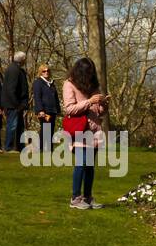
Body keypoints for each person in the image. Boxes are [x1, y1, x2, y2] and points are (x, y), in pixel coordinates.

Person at [61, 56, 108, 210]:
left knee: (89, 166)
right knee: (80, 164)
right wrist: (89, 102)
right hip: (79, 129)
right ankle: (75, 198)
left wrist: (103, 105)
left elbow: (99, 112)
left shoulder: (93, 86)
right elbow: (69, 108)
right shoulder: (69, 85)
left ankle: (88, 197)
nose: (90, 75)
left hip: (94, 131)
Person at [1, 51, 30, 152]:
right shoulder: (14, 70)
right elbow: (11, 89)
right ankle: (9, 147)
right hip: (13, 104)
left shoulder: (16, 69)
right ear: (22, 59)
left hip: (16, 104)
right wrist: (17, 104)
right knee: (12, 126)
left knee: (20, 127)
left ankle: (20, 147)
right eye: (25, 59)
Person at [32, 63, 59, 150]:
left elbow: (56, 97)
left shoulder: (51, 83)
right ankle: (41, 149)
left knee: (50, 131)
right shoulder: (38, 83)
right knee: (45, 130)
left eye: (48, 71)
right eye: (44, 71)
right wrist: (40, 110)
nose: (46, 72)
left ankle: (49, 149)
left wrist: (58, 110)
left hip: (52, 110)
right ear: (41, 72)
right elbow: (37, 97)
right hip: (44, 111)